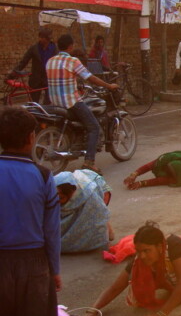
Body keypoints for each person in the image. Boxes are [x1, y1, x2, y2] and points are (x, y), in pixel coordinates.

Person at [0, 107, 61, 316]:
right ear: (30, 138)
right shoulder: (43, 176)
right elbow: (52, 230)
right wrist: (54, 269)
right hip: (34, 266)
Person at [46, 35, 119, 173]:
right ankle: (89, 162)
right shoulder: (72, 61)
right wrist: (108, 86)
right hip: (71, 103)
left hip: (54, 103)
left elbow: (62, 78)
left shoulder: (50, 61)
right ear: (70, 46)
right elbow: (90, 77)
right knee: (94, 127)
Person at [54, 170, 114, 253]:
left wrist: (105, 242)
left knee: (98, 224)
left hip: (98, 189)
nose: (58, 202)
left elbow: (100, 217)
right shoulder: (51, 193)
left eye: (61, 198)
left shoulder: (89, 195)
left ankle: (107, 233)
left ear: (71, 193)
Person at [14, 27, 58, 104]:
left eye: (42, 37)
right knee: (34, 102)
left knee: (48, 100)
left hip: (49, 79)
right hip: (36, 79)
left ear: (47, 39)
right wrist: (13, 74)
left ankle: (44, 113)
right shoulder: (34, 48)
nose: (40, 39)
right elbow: (24, 62)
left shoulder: (54, 48)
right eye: (40, 37)